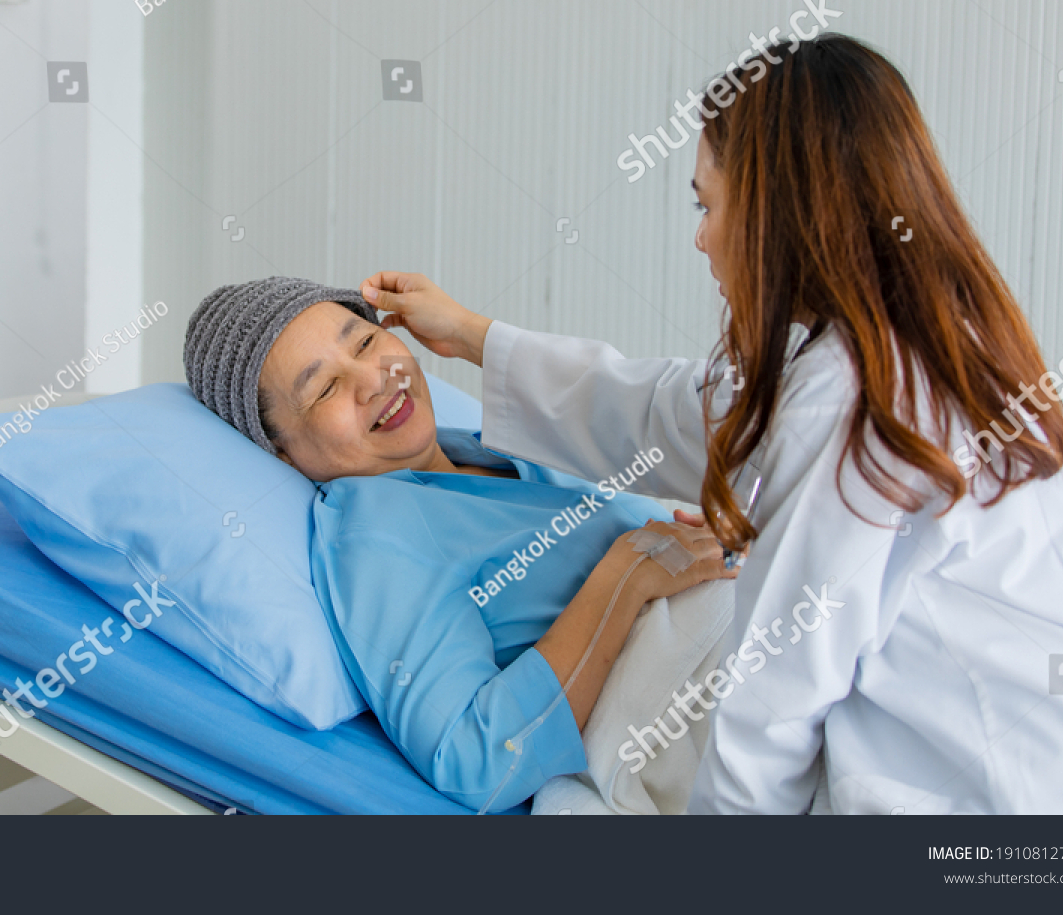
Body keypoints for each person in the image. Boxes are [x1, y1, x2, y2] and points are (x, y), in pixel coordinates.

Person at [360, 33, 1063, 814]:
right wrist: (471, 336)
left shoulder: (852, 404)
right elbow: (671, 410)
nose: (701, 237)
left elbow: (771, 711)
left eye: (709, 205)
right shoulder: (925, 348)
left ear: (781, 212)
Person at [183, 276, 738, 811]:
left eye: (368, 340)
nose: (374, 378)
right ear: (280, 452)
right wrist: (623, 581)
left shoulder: (484, 447)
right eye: (325, 387)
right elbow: (475, 761)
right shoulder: (374, 536)